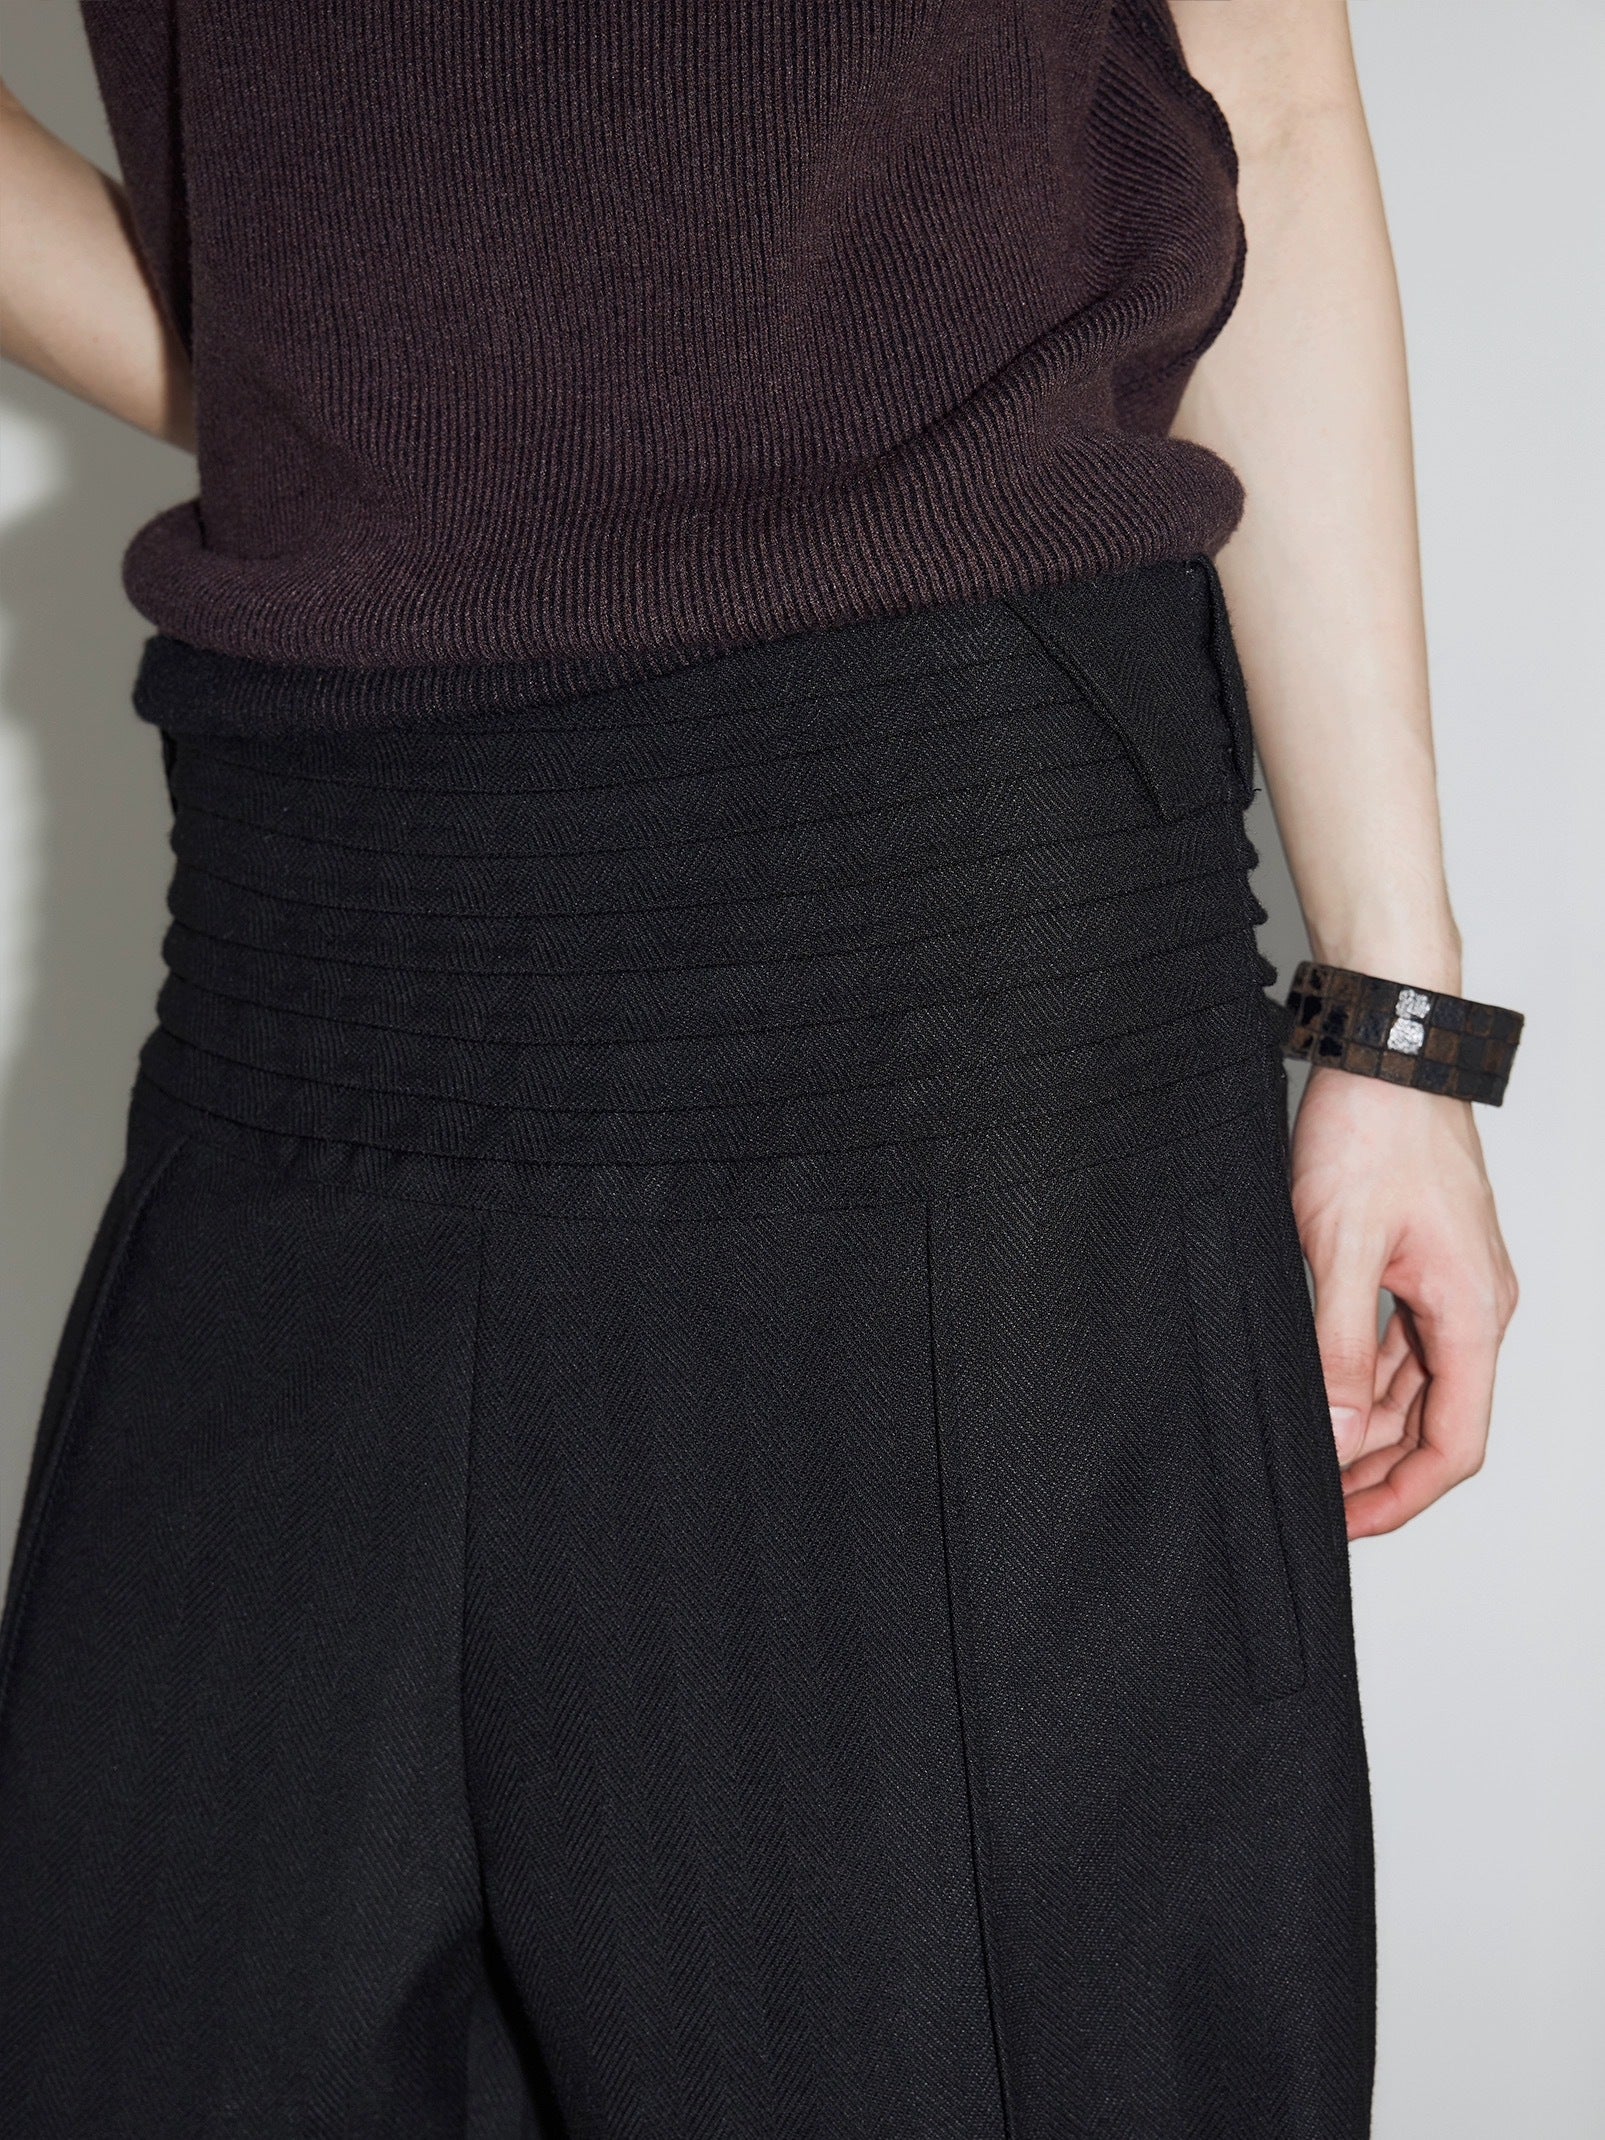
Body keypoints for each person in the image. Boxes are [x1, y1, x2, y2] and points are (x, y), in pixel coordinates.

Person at [0, 4, 1520, 2134]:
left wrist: (1397, 1023)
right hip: (308, 979)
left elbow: (1257, 84)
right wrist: (342, 382)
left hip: (941, 986)